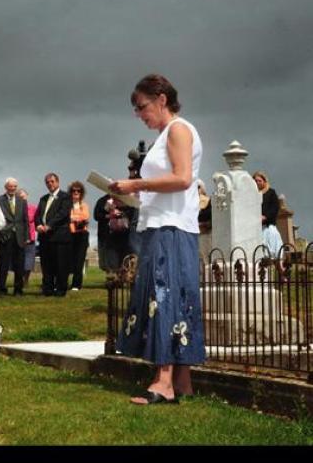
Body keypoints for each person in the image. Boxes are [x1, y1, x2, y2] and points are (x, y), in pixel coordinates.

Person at [111, 73, 205, 405]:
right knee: (175, 297)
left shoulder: (178, 130)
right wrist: (127, 195)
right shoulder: (167, 135)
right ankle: (182, 381)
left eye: (141, 106)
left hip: (171, 228)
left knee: (163, 296)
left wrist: (135, 185)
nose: (139, 114)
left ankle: (163, 381)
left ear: (161, 99)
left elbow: (181, 178)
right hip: (164, 223)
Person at [35, 173, 72, 297]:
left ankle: (61, 289)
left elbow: (62, 214)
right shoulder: (43, 198)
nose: (50, 184)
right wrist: (39, 225)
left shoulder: (65, 197)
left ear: (57, 182)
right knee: (46, 264)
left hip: (59, 236)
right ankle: (48, 289)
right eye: (47, 182)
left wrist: (49, 225)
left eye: (52, 181)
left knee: (61, 264)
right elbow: (38, 215)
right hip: (45, 237)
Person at [0, 177, 28, 296]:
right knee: (3, 265)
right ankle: (1, 289)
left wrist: (26, 236)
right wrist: (1, 234)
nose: (13, 188)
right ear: (6, 187)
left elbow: (25, 220)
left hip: (19, 236)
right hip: (5, 236)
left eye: (15, 186)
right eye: (10, 186)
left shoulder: (22, 201)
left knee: (19, 265)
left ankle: (18, 289)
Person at [253, 171, 284, 259]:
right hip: (255, 228)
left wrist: (265, 216)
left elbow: (275, 207)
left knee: (273, 255)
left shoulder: (271, 192)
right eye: (255, 181)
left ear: (264, 181)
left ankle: (282, 271)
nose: (257, 183)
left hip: (268, 227)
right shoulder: (252, 193)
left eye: (259, 180)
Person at [67, 181, 90, 292]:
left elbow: (85, 217)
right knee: (67, 259)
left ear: (81, 193)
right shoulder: (66, 205)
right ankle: (63, 282)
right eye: (73, 191)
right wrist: (75, 217)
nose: (76, 192)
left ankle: (76, 284)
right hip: (69, 234)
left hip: (81, 234)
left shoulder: (84, 205)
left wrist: (72, 218)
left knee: (79, 260)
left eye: (78, 191)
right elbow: (65, 217)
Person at [18, 189, 38, 288]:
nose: (22, 198)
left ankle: (26, 279)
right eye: (20, 197)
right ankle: (20, 279)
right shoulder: (16, 209)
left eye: (24, 196)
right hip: (19, 238)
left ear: (27, 196)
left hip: (31, 238)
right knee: (20, 261)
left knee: (29, 261)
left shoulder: (33, 208)